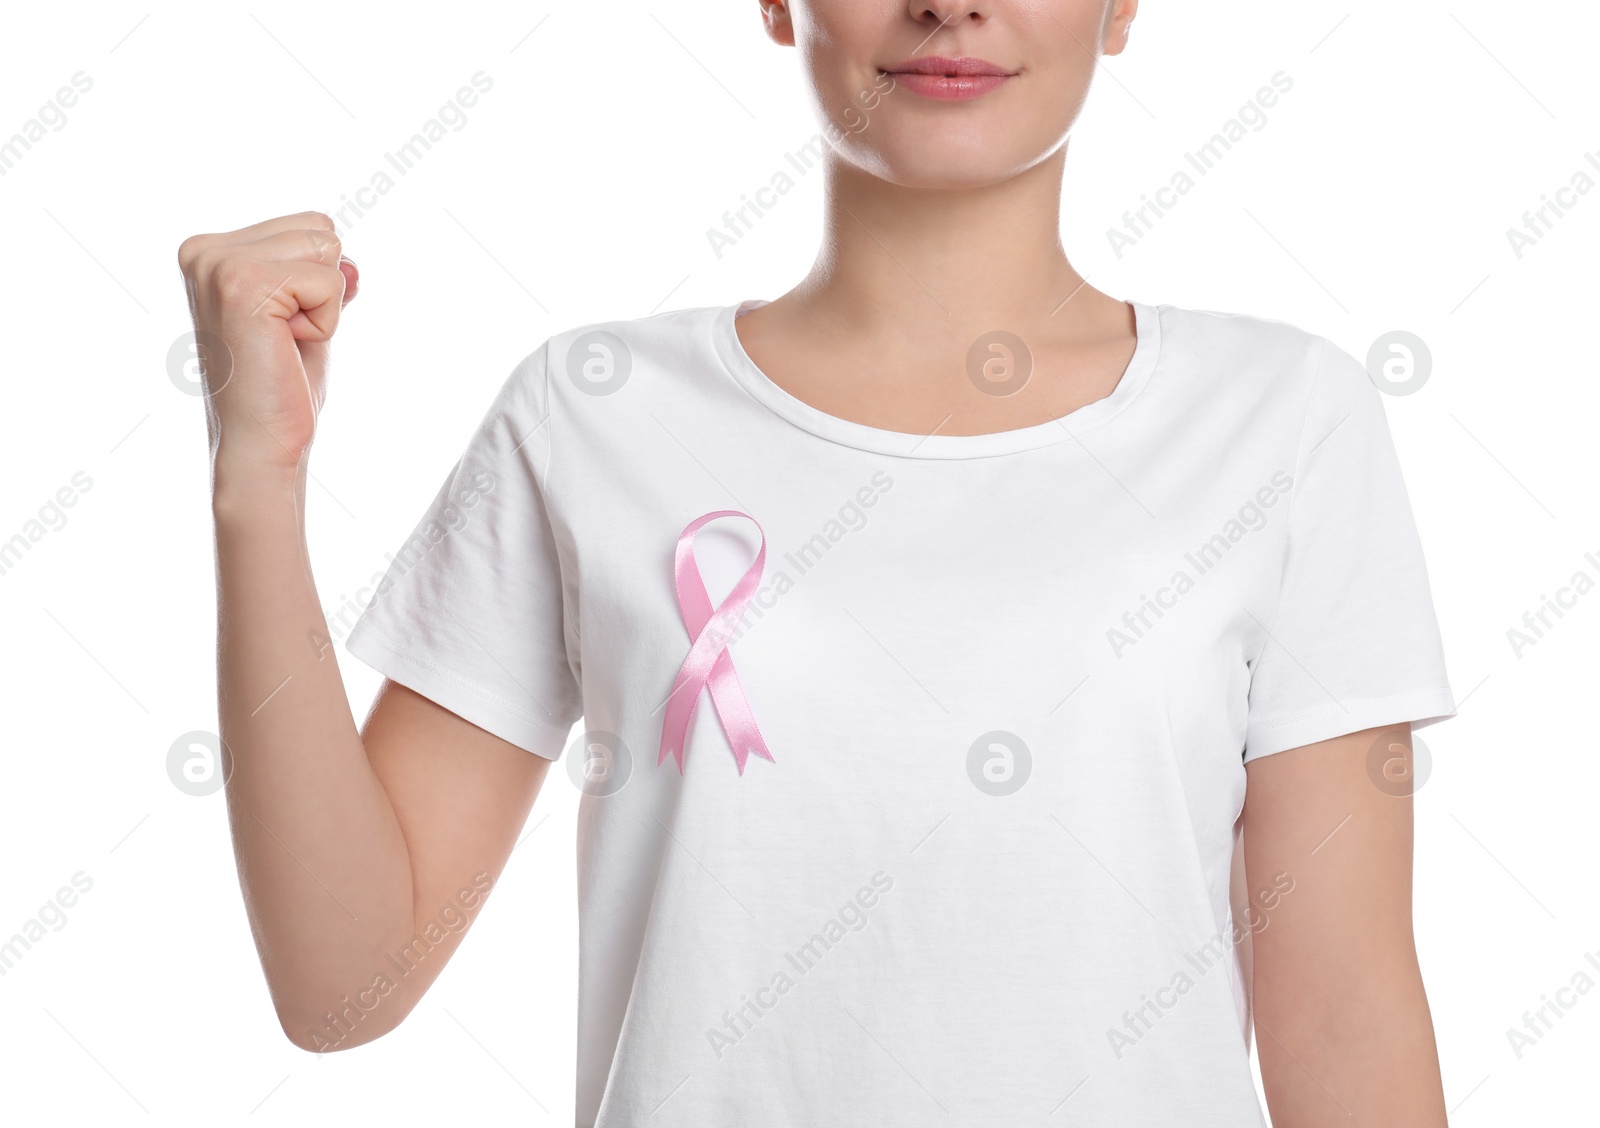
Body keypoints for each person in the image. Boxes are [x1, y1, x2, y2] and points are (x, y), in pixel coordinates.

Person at [175, 2, 1456, 1124]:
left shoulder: (1280, 420)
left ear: (1123, 5)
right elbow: (343, 985)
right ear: (775, 1)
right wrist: (258, 484)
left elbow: (1343, 1025)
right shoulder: (596, 410)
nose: (950, 5)